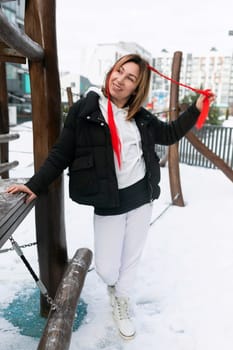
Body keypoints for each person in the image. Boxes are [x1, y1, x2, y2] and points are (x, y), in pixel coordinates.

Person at [7, 53, 215, 340]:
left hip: (141, 197)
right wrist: (35, 184)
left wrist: (195, 108)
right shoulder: (85, 110)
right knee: (106, 269)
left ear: (136, 88)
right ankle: (114, 286)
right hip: (109, 202)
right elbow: (61, 153)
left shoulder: (139, 116)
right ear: (111, 71)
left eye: (130, 78)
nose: (121, 80)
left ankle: (122, 300)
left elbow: (167, 134)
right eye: (120, 71)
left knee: (131, 257)